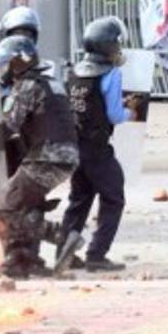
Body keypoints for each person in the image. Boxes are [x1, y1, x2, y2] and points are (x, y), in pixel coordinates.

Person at [0, 35, 80, 279]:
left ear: (19, 63)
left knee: (3, 203)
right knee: (21, 204)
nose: (4, 68)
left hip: (46, 157)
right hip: (64, 154)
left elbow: (9, 125)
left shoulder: (27, 86)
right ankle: (23, 261)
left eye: (6, 63)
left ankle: (62, 236)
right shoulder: (52, 82)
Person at [59, 17, 141, 272]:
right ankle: (96, 254)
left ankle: (65, 253)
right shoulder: (111, 74)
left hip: (75, 145)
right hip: (97, 148)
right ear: (107, 46)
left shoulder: (74, 72)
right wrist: (132, 113)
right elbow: (114, 115)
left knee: (79, 198)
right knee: (113, 197)